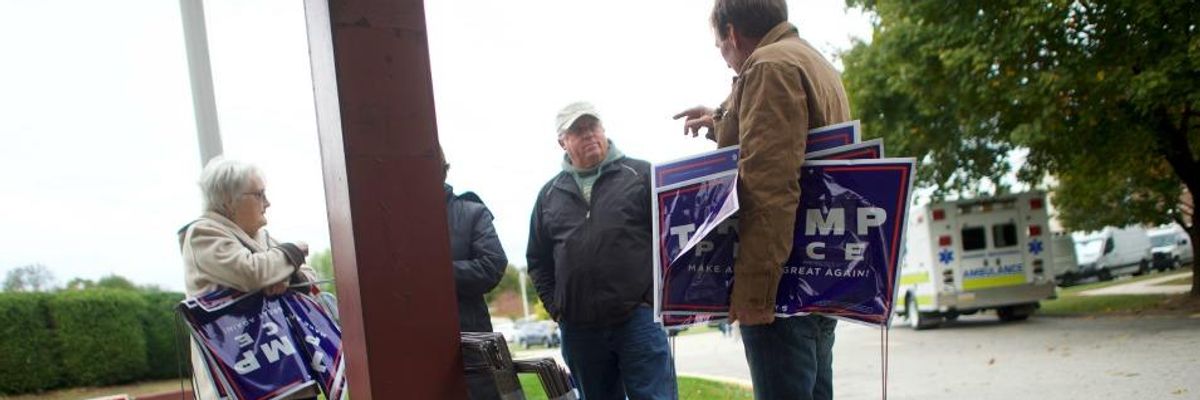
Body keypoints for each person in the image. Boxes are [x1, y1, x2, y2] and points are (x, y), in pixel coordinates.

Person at [673, 0, 851, 399]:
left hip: (781, 282)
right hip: (818, 272)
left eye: (719, 44)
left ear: (732, 34)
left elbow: (768, 187)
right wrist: (719, 119)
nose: (722, 57)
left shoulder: (769, 67)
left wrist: (755, 295)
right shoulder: (810, 60)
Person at [527, 102, 678, 400]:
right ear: (562, 141)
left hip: (638, 320)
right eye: (578, 130)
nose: (588, 135)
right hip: (580, 329)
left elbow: (671, 238)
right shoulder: (548, 195)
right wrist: (558, 307)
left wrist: (652, 300)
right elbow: (537, 259)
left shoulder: (641, 174)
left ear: (603, 129)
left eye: (592, 127)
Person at [178, 156, 319, 400]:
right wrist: (293, 252)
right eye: (259, 194)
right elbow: (251, 273)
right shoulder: (203, 234)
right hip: (241, 380)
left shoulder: (262, 237)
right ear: (228, 198)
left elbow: (310, 277)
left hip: (289, 373)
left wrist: (288, 276)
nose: (268, 203)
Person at [441, 151, 510, 400]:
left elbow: (493, 265)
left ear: (442, 168)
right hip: (416, 345)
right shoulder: (397, 221)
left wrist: (435, 273)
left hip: (470, 347)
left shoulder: (473, 212)